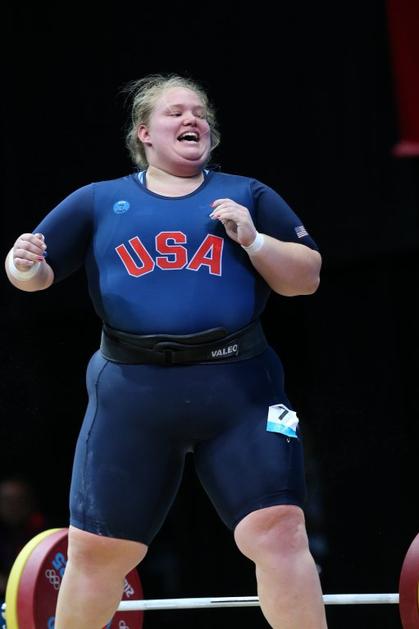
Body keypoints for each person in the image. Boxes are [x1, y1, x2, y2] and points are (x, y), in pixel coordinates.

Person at [4, 73, 327, 629]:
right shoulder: (98, 200)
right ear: (144, 132)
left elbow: (306, 279)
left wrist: (254, 240)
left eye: (199, 112)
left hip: (239, 390)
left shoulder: (248, 195)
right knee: (97, 552)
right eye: (175, 112)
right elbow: (32, 276)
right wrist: (21, 264)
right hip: (133, 395)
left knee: (279, 530)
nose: (191, 119)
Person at [0, 477, 47, 600]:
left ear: (29, 503)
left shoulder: (43, 534)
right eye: (7, 500)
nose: (13, 506)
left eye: (19, 500)